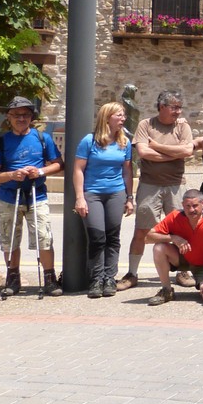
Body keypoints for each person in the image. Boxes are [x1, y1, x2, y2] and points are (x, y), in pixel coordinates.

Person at [0, 96, 64, 298]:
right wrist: (12, 175)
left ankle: (49, 279)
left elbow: (58, 164)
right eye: (16, 115)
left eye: (26, 115)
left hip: (36, 195)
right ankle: (13, 279)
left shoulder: (42, 138)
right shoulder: (0, 142)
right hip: (8, 197)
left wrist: (40, 172)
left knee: (44, 237)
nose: (21, 118)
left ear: (31, 117)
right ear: (9, 117)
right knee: (9, 239)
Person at [120, 90, 193, 291]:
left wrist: (157, 146)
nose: (178, 112)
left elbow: (188, 151)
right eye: (174, 107)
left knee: (181, 230)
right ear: (162, 107)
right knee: (142, 230)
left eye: (180, 107)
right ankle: (132, 273)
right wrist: (174, 154)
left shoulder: (183, 126)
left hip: (176, 185)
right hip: (149, 185)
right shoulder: (146, 125)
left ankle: (182, 271)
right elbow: (143, 152)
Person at [72, 102, 135, 298]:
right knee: (97, 237)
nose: (123, 118)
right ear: (107, 118)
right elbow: (78, 170)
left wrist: (130, 197)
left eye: (124, 115)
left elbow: (127, 172)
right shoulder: (89, 141)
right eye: (119, 115)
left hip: (116, 193)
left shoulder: (124, 142)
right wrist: (80, 198)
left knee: (113, 237)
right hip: (93, 193)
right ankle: (96, 279)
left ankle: (109, 277)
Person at [145, 189, 203, 306]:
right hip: (182, 257)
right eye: (188, 206)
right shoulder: (175, 216)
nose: (191, 210)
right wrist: (173, 238)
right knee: (159, 248)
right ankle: (167, 290)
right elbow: (148, 238)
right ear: (183, 205)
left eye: (195, 206)